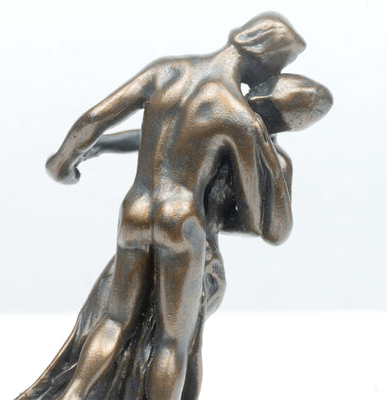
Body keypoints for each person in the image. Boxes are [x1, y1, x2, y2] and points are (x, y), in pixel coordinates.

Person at [44, 13, 306, 400]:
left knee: (113, 320)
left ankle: (72, 396)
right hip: (181, 220)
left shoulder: (166, 70)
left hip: (134, 210)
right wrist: (268, 156)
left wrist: (62, 163)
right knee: (171, 340)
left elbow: (95, 117)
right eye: (280, 66)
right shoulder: (238, 115)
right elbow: (258, 218)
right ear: (264, 58)